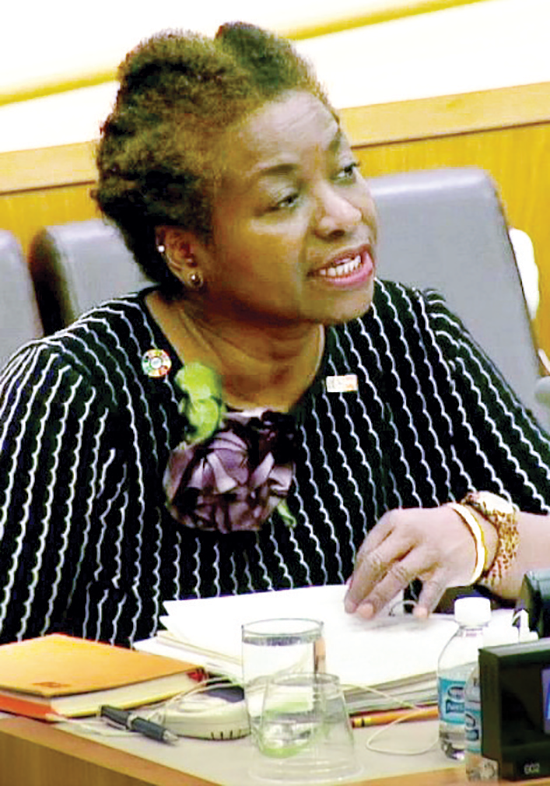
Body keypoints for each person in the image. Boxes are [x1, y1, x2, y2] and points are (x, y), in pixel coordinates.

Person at [1, 23, 550, 649]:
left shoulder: (408, 337)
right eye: (286, 199)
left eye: (345, 170)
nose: (343, 215)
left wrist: (484, 538)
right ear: (185, 250)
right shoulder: (75, 394)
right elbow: (13, 663)